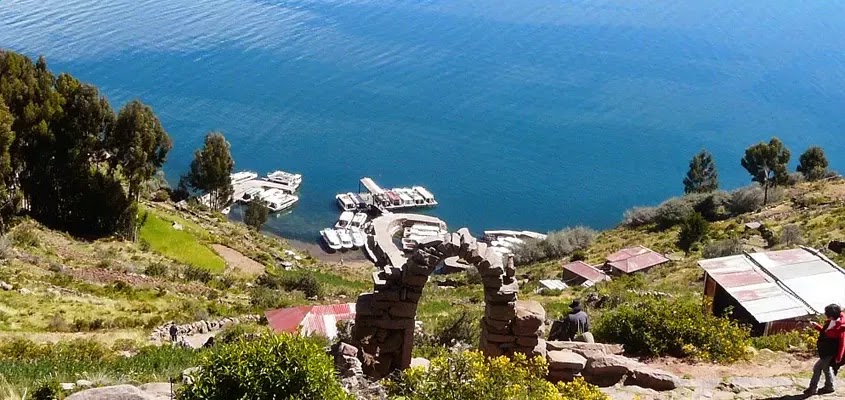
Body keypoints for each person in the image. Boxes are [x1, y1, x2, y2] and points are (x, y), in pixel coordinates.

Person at [805, 304, 845, 395]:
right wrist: (816, 326)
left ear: (832, 315)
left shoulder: (841, 327)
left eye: (828, 314)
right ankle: (829, 387)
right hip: (826, 350)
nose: (827, 316)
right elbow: (826, 332)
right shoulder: (832, 321)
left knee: (817, 367)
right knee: (826, 368)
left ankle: (812, 388)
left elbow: (842, 343)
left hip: (831, 352)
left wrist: (839, 356)